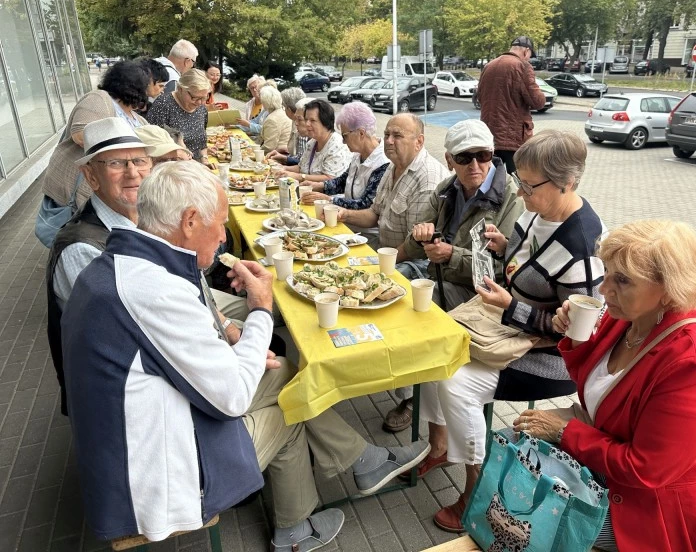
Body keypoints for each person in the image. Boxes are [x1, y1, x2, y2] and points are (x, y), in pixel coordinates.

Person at [60, 161, 429, 548]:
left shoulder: (130, 260)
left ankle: (362, 462)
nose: (223, 237)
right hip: (150, 477)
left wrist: (241, 337)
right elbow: (231, 397)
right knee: (290, 411)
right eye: (219, 223)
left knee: (284, 374)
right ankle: (295, 528)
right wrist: (259, 311)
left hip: (140, 425)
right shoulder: (154, 290)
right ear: (189, 221)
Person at [418, 130, 607, 533]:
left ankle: (475, 492)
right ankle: (441, 446)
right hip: (509, 327)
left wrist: (511, 306)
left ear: (567, 183)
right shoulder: (538, 211)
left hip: (549, 357)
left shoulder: (582, 246)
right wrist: (504, 245)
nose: (519, 193)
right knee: (434, 348)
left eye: (528, 184)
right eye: (518, 179)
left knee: (457, 383)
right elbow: (527, 260)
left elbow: (574, 334)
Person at [516, 220, 696, 552]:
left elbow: (644, 469)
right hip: (613, 472)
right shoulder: (629, 318)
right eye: (606, 273)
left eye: (621, 280)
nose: (604, 289)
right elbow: (600, 393)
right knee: (517, 455)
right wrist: (574, 337)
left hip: (654, 511)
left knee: (531, 516)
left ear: (668, 287)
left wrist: (564, 432)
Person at [333, 113, 450, 432]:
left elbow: (414, 244)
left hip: (417, 264)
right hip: (389, 253)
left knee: (363, 288)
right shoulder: (393, 168)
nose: (388, 141)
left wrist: (375, 267)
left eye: (397, 135)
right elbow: (375, 214)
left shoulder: (428, 178)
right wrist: (340, 213)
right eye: (386, 134)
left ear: (419, 141)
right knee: (341, 275)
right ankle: (361, 364)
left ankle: (411, 395)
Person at [45, 118, 152, 416]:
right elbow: (127, 335)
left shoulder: (135, 216)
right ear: (90, 176)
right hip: (122, 396)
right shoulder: (82, 247)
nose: (133, 173)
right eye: (116, 163)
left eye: (140, 160)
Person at [401, 119, 523, 310]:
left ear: (492, 155)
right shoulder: (445, 189)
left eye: (482, 155)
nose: (474, 165)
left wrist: (451, 255)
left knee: (409, 302)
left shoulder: (511, 197)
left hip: (479, 293)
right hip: (437, 276)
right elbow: (413, 247)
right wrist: (419, 237)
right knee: (391, 284)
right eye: (464, 158)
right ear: (449, 161)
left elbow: (503, 269)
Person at [41, 60, 150, 213]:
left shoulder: (138, 119)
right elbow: (80, 135)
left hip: (116, 195)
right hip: (78, 193)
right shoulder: (100, 99)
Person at [300, 101, 389, 211]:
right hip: (347, 219)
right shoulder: (358, 154)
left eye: (345, 136)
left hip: (359, 226)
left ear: (361, 133)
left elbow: (367, 204)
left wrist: (329, 200)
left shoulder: (383, 163)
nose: (343, 141)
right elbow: (343, 180)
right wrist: (319, 186)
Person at [476, 36, 545, 174]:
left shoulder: (489, 66)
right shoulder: (522, 66)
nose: (529, 59)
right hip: (514, 140)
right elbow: (538, 102)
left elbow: (479, 97)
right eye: (530, 56)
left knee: (491, 181)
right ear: (526, 51)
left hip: (489, 138)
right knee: (518, 183)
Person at [275, 100, 351, 183]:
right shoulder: (312, 142)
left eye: (312, 120)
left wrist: (298, 176)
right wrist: (283, 169)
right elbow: (302, 167)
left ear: (325, 122)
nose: (307, 124)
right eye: (306, 119)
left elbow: (330, 178)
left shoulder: (337, 146)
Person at [147, 69, 210, 163]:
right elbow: (151, 145)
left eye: (204, 97)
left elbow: (201, 142)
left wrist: (204, 159)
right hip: (173, 168)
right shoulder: (163, 104)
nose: (200, 102)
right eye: (195, 97)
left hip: (197, 166)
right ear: (180, 89)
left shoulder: (201, 108)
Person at [267, 95, 311, 166]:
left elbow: (303, 166)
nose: (296, 123)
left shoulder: (307, 135)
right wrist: (284, 158)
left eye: (299, 119)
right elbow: (301, 159)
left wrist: (286, 168)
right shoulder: (311, 140)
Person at [258, 86, 293, 152]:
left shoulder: (272, 119)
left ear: (265, 102)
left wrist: (254, 153)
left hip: (278, 155)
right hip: (286, 151)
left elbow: (269, 147)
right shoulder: (283, 111)